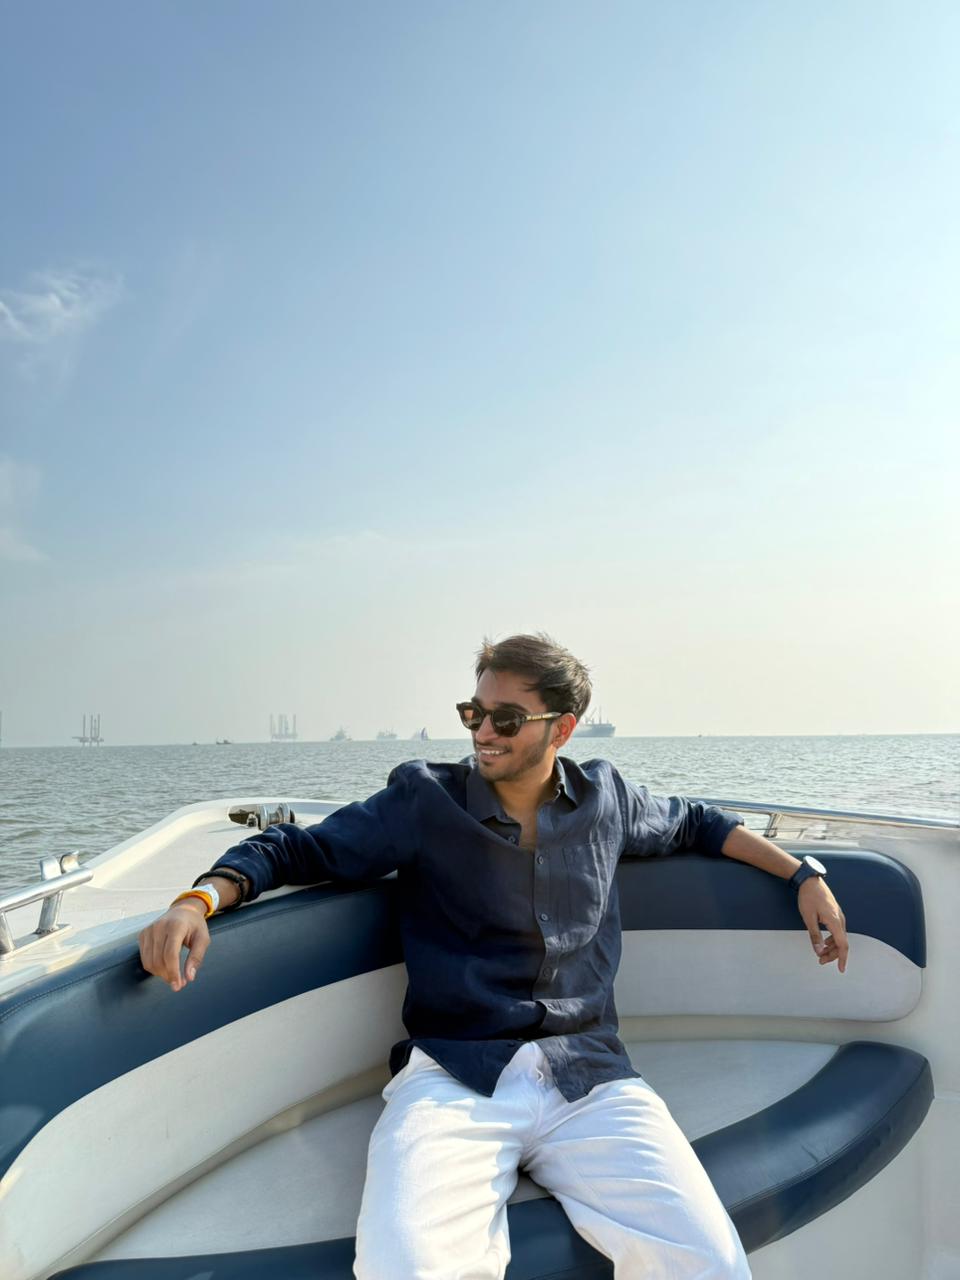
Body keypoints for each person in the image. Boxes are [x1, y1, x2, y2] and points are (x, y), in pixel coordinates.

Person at [139, 634, 850, 1280]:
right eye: (472, 713)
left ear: (561, 728)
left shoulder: (606, 799)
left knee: (710, 1262)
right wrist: (197, 901)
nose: (482, 732)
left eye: (505, 719)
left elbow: (700, 822)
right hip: (457, 1076)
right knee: (406, 1267)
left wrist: (803, 876)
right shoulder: (425, 800)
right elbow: (297, 848)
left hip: (590, 1076)